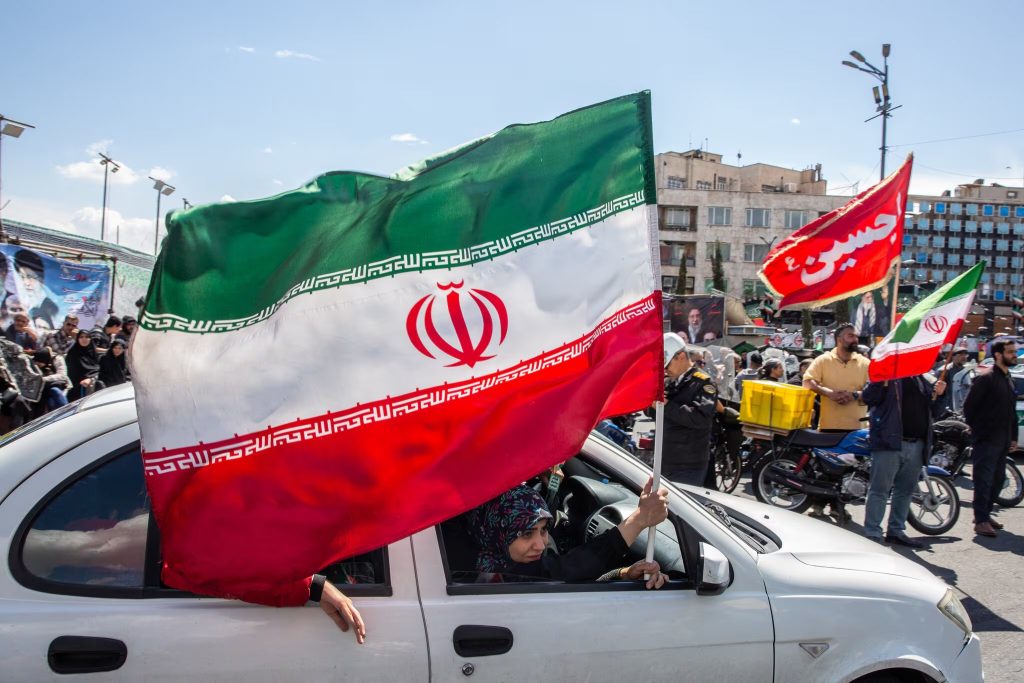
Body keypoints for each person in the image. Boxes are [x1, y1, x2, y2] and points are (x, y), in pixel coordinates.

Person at [466, 478, 668, 587]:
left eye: (543, 530)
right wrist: (640, 519)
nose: (541, 545)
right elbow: (567, 569)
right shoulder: (499, 576)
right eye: (527, 534)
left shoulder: (494, 561)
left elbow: (567, 581)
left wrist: (623, 574)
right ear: (499, 532)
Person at [861, 374, 947, 547]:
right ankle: (873, 533)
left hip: (917, 444)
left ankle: (896, 531)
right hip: (889, 443)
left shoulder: (921, 381)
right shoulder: (888, 376)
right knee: (880, 490)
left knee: (905, 491)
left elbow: (935, 412)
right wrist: (880, 382)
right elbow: (868, 398)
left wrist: (941, 394)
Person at [962, 339, 1018, 537]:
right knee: (983, 480)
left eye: (1014, 351)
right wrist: (979, 430)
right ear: (997, 355)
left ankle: (985, 513)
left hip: (1003, 439)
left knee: (998, 479)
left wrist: (1013, 437)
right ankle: (981, 520)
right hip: (986, 439)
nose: (1014, 355)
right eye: (1010, 352)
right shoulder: (986, 378)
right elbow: (969, 407)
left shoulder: (1008, 378)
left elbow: (1011, 412)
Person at [662, 333, 717, 486]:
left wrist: (666, 405)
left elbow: (700, 418)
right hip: (666, 458)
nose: (665, 370)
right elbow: (658, 415)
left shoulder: (703, 383)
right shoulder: (669, 382)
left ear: (680, 356)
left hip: (688, 464)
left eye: (667, 364)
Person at [803, 325, 869, 432]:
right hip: (828, 427)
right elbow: (807, 383)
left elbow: (874, 390)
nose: (855, 339)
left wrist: (854, 395)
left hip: (858, 428)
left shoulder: (866, 363)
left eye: (856, 336)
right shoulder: (823, 360)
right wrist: (829, 393)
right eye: (851, 336)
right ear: (839, 339)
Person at [65, 330, 103, 399]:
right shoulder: (73, 353)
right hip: (78, 387)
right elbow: (71, 373)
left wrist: (91, 379)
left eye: (87, 337)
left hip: (94, 381)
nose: (84, 339)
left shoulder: (93, 352)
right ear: (78, 339)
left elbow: (97, 369)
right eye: (81, 337)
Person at [32, 348, 70, 413]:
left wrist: (44, 379)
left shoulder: (57, 359)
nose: (38, 364)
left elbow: (62, 375)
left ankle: (66, 412)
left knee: (55, 392)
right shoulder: (35, 363)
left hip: (59, 385)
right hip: (43, 388)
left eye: (39, 362)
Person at [934, 347, 969, 415]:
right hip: (947, 410)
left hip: (961, 408)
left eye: (965, 355)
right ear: (953, 356)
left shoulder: (966, 371)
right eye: (961, 354)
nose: (964, 357)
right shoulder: (944, 371)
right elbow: (937, 392)